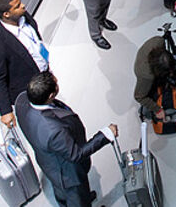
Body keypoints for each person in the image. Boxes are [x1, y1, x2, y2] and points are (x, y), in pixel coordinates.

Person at [15, 71, 117, 207]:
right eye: (56, 84)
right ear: (51, 95)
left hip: (49, 164)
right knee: (77, 199)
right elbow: (76, 154)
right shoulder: (53, 130)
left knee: (64, 194)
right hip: (68, 175)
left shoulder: (22, 100)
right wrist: (105, 135)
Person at [0, 0, 48, 129]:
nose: (23, 6)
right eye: (17, 6)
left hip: (44, 76)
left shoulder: (22, 16)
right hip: (30, 91)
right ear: (6, 14)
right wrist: (6, 111)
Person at [133, 35, 176, 120]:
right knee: (147, 113)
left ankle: (173, 83)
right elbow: (139, 96)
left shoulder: (158, 41)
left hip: (161, 63)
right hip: (151, 77)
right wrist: (158, 110)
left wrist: (170, 70)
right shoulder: (146, 76)